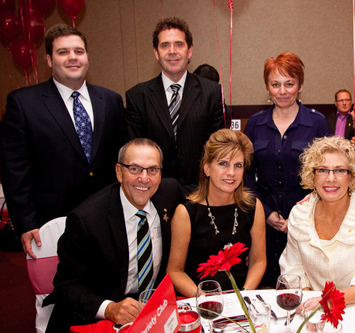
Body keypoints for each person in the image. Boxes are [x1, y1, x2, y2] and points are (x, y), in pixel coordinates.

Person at [0, 24, 124, 259]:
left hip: (106, 219)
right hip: (49, 224)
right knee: (57, 292)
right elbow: (14, 169)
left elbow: (119, 159)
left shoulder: (111, 100)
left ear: (87, 56)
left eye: (79, 51)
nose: (72, 58)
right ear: (48, 59)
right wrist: (25, 222)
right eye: (63, 52)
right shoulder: (24, 104)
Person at [45, 138, 184, 332]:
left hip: (152, 312)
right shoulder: (86, 220)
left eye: (152, 170)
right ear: (119, 172)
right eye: (134, 169)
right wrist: (109, 308)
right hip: (99, 313)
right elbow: (66, 286)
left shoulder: (170, 193)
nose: (144, 178)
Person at [244, 52, 331, 287]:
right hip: (264, 217)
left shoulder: (317, 123)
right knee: (265, 283)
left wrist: (298, 214)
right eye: (275, 84)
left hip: (307, 218)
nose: (282, 91)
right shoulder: (255, 124)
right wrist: (266, 211)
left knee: (302, 285)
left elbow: (327, 175)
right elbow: (246, 174)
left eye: (289, 84)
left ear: (300, 85)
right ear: (267, 87)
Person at [280, 136, 355, 310]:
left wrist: (328, 299)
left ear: (351, 176)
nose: (331, 178)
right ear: (313, 175)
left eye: (340, 170)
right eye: (323, 170)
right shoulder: (299, 215)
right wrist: (308, 300)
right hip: (313, 310)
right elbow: (293, 268)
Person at [125, 17, 226, 194]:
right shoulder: (137, 96)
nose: (172, 51)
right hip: (154, 193)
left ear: (190, 51)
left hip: (201, 192)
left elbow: (218, 149)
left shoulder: (212, 93)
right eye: (165, 45)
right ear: (156, 52)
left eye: (179, 44)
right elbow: (135, 153)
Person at [167, 129, 266, 296]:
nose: (231, 173)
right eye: (223, 164)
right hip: (199, 302)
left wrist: (244, 295)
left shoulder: (253, 207)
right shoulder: (186, 212)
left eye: (238, 165)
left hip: (241, 301)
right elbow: (175, 271)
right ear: (207, 168)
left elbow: (258, 261)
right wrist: (203, 299)